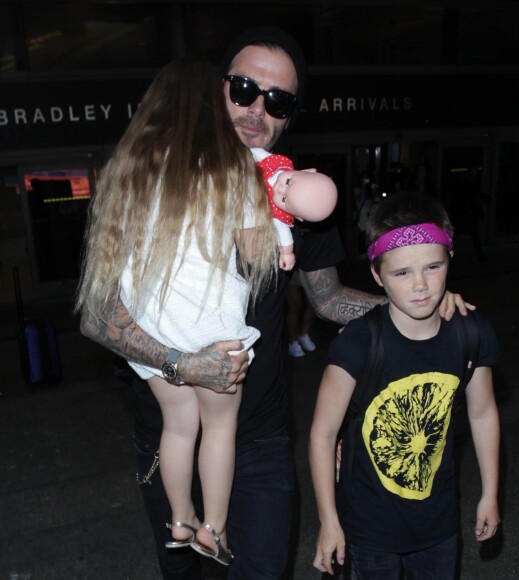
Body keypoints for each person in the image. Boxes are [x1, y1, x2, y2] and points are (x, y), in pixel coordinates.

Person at [79, 27, 470, 580]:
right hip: (171, 429)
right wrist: (183, 365)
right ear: (215, 89)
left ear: (289, 116)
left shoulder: (292, 194)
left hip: (260, 440)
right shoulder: (152, 175)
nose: (257, 108)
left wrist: (419, 304)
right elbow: (97, 316)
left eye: (278, 100)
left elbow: (329, 299)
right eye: (243, 88)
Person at [76, 59, 279, 565]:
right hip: (212, 326)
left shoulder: (130, 170)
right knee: (220, 428)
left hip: (155, 329)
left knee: (178, 428)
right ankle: (214, 526)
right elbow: (258, 257)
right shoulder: (236, 167)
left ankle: (180, 519)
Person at [309, 192, 500, 579]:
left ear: (449, 260)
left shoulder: (470, 333)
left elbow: (482, 413)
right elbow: (322, 434)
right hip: (368, 526)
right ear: (377, 275)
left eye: (432, 267)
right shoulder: (359, 342)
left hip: (439, 523)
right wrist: (329, 521)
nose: (420, 285)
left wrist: (491, 494)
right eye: (401, 273)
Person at [252, 147, 338, 270]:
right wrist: (246, 149)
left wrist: (286, 253)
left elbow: (283, 233)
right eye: (288, 182)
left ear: (297, 216)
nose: (280, 189)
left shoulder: (277, 213)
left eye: (284, 200)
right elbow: (258, 152)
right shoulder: (278, 165)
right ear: (307, 171)